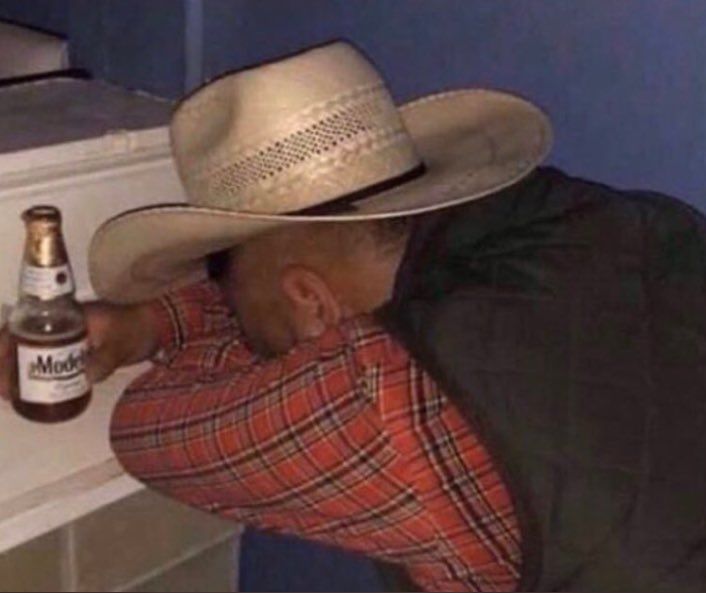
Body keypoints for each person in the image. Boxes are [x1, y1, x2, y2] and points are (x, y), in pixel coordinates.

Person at [3, 41, 706, 592]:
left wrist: (155, 331)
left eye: (227, 282)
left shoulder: (386, 404)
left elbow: (145, 428)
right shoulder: (593, 220)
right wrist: (153, 324)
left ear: (309, 302)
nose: (228, 312)